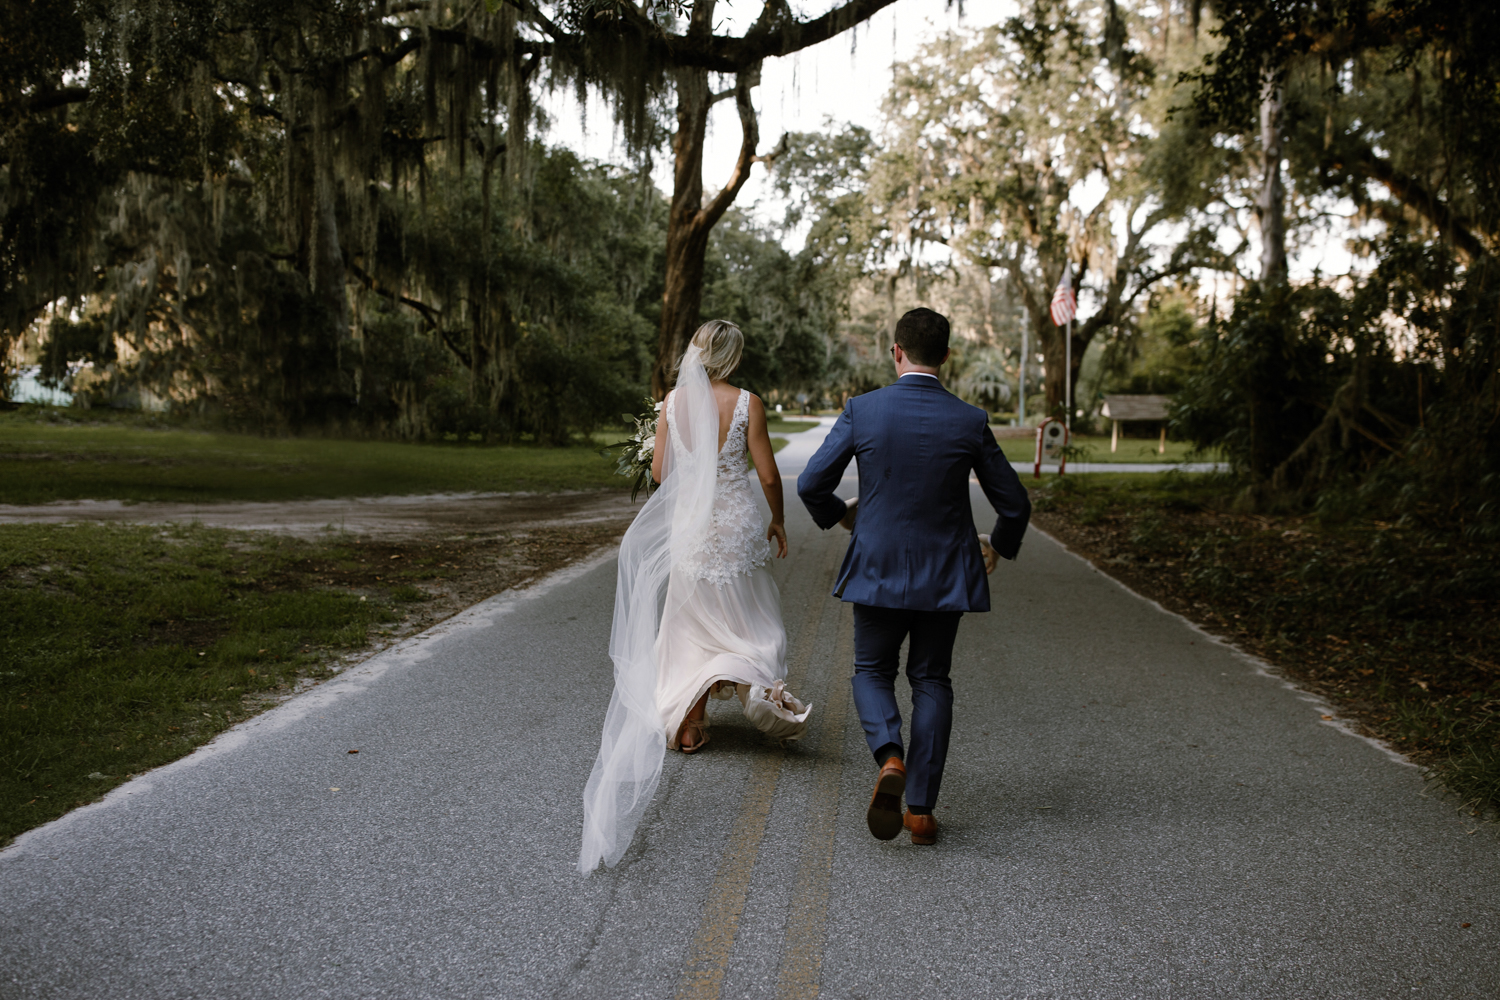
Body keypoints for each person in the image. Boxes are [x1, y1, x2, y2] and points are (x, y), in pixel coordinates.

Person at [579, 320, 810, 874]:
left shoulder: (671, 403)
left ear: (696, 354)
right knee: (751, 616)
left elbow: (661, 473)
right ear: (731, 358)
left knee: (686, 623)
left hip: (690, 528)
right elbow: (770, 473)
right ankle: (757, 683)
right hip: (734, 525)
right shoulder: (748, 402)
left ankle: (689, 721)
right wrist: (776, 520)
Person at [797, 307, 1031, 846]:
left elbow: (811, 484)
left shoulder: (864, 410)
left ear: (896, 351)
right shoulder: (969, 420)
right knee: (931, 679)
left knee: (871, 671)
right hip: (945, 571)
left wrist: (844, 515)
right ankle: (921, 812)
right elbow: (1014, 504)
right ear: (947, 357)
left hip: (876, 563)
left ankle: (889, 756)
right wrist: (998, 545)